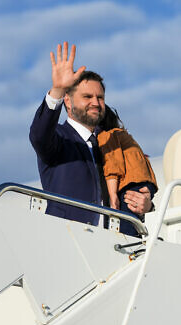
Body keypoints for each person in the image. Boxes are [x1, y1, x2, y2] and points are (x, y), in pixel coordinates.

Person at [29, 41, 153, 226]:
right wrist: (58, 90)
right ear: (68, 102)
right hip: (69, 239)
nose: (96, 103)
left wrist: (147, 205)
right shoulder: (58, 139)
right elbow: (39, 135)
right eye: (87, 97)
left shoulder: (115, 141)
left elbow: (136, 184)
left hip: (117, 243)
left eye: (100, 97)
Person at [98, 107, 158, 236]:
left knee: (123, 232)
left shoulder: (108, 136)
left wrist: (113, 195)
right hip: (146, 185)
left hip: (129, 186)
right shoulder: (125, 137)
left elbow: (113, 166)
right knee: (134, 225)